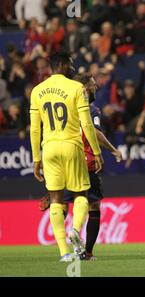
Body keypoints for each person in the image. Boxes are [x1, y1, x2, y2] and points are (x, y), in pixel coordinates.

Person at [39, 72, 123, 260]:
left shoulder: (66, 104)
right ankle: (86, 250)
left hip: (62, 158)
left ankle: (66, 248)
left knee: (61, 201)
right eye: (93, 85)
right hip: (85, 160)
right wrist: (112, 150)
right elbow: (94, 131)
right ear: (84, 87)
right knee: (92, 205)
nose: (96, 88)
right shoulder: (91, 109)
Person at [30, 52, 103, 262]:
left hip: (49, 148)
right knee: (81, 194)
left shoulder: (37, 91)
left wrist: (37, 159)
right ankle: (75, 231)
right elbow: (87, 124)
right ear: (61, 64)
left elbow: (35, 129)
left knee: (56, 199)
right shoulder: (76, 88)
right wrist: (97, 152)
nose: (73, 68)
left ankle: (64, 252)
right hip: (71, 145)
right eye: (70, 65)